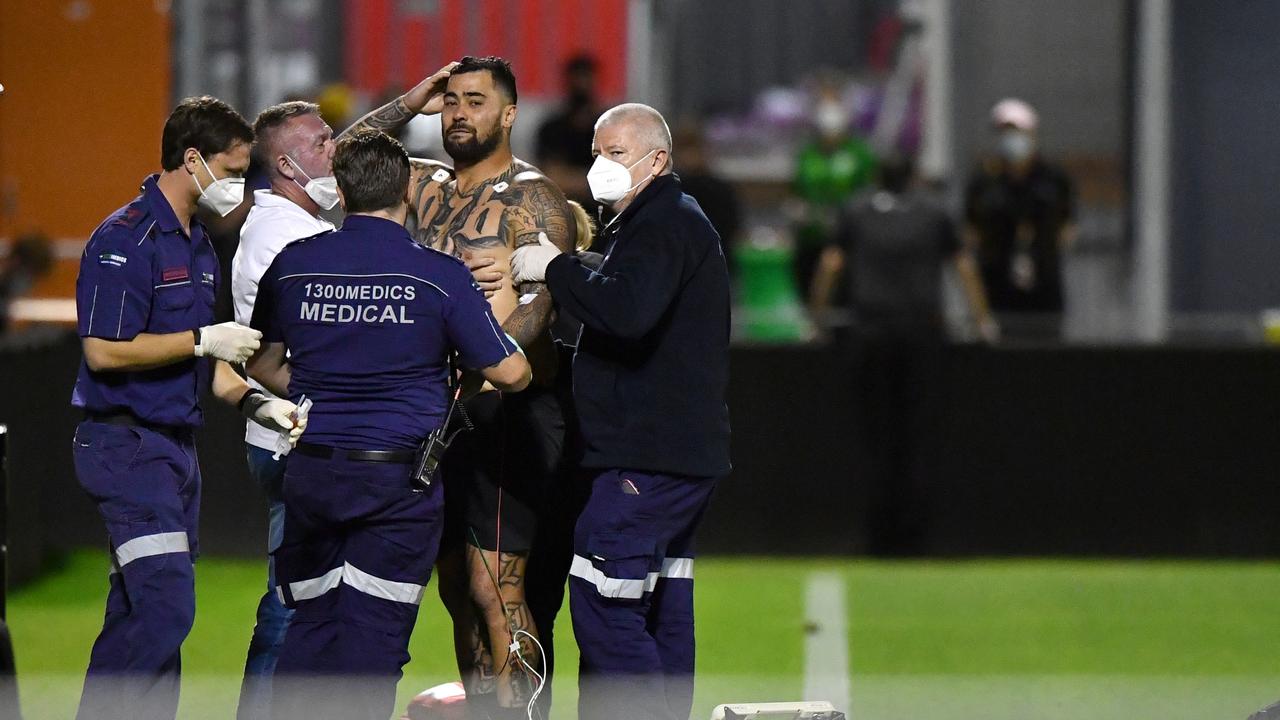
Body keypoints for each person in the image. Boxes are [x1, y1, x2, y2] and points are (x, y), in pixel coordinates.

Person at [245, 128, 531, 720]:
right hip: (397, 490)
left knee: (310, 632)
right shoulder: (437, 275)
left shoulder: (294, 265)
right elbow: (512, 374)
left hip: (313, 475)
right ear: (407, 191)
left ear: (341, 192)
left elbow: (264, 363)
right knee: (371, 647)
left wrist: (320, 396)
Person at [344, 55, 575, 719]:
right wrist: (407, 101)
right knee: (453, 587)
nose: (458, 113)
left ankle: (523, 714)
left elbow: (538, 309)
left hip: (507, 413)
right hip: (433, 416)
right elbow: (342, 162)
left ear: (509, 113)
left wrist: (487, 354)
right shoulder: (419, 185)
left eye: (474, 101)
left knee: (495, 584)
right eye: (449, 103)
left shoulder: (533, 198)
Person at [231, 62, 456, 720]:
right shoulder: (290, 239)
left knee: (307, 603)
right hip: (304, 439)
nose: (334, 148)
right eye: (319, 142)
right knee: (298, 611)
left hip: (310, 436)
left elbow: (355, 159)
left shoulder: (300, 217)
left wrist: (405, 105)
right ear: (286, 165)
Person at [69, 95, 304, 720]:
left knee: (142, 612)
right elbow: (103, 352)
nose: (238, 187)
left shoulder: (198, 245)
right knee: (167, 607)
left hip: (175, 453)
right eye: (232, 172)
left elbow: (220, 374)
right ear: (192, 159)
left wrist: (262, 405)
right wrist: (201, 339)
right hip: (126, 447)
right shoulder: (126, 238)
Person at [512, 102, 732, 720]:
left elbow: (628, 311)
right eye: (596, 153)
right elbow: (628, 290)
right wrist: (580, 268)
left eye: (615, 154)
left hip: (648, 455)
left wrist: (554, 268)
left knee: (602, 596)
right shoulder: (658, 224)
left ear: (656, 160)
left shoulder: (662, 223)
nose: (599, 167)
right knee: (661, 600)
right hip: (678, 453)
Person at [809, 154, 996, 553]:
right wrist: (982, 321)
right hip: (922, 334)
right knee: (918, 435)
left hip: (870, 333)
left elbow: (830, 263)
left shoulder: (856, 210)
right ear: (914, 177)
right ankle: (916, 538)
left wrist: (817, 319)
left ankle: (877, 536)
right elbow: (964, 266)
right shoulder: (934, 212)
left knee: (876, 435)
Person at [964, 98, 1075, 339]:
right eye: (1005, 132)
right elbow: (970, 230)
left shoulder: (1053, 177)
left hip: (1044, 286)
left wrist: (1044, 251)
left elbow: (1067, 225)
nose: (1011, 138)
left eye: (1017, 131)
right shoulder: (984, 180)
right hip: (997, 286)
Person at [791, 81, 878, 296]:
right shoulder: (808, 153)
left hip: (849, 239)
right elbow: (798, 189)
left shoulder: (859, 153)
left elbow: (869, 190)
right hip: (813, 235)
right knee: (810, 285)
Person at [535, 54, 601, 207]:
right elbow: (552, 179)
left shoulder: (608, 129)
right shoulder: (552, 129)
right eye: (578, 78)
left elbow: (617, 180)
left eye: (586, 78)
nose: (581, 84)